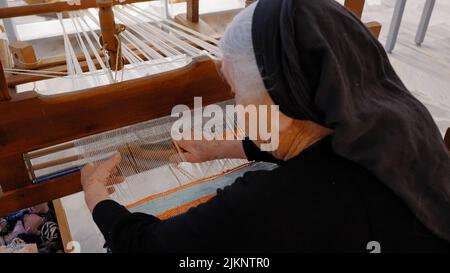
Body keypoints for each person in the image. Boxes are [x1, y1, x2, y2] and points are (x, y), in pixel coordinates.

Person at [80, 0, 450, 252]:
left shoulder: (271, 205)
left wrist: (96, 197)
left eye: (234, 90)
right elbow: (315, 148)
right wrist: (217, 148)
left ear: (281, 103)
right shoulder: (397, 121)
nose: (235, 104)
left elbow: (147, 249)